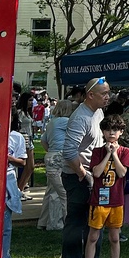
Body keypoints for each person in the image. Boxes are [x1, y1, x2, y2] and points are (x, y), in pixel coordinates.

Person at [61, 76, 111, 258]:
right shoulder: (81, 118)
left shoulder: (97, 111)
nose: (108, 97)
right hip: (77, 177)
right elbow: (69, 152)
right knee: (76, 222)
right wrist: (83, 174)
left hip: (94, 174)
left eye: (109, 92)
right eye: (104, 94)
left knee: (95, 220)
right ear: (90, 95)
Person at [81, 115, 129, 258]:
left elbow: (122, 173)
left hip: (116, 201)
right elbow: (96, 172)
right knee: (93, 236)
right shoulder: (97, 152)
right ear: (103, 131)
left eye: (115, 130)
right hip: (98, 201)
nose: (112, 133)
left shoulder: (125, 152)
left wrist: (115, 154)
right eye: (108, 129)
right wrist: (107, 155)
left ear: (121, 133)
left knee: (115, 237)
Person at [38, 98, 77, 232]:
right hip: (60, 158)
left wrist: (50, 150)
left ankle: (43, 222)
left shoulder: (51, 123)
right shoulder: (67, 122)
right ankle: (58, 223)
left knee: (50, 191)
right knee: (63, 192)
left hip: (50, 156)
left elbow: (43, 140)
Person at [3, 104, 27, 258]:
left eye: (9, 116)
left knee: (6, 225)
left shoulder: (17, 137)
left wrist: (8, 157)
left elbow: (23, 162)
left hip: (9, 180)